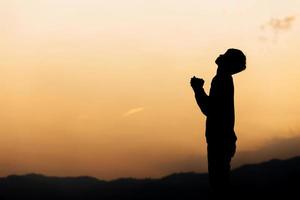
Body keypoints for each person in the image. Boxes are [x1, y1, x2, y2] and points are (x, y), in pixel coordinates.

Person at [190, 48, 246, 194]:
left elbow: (209, 110)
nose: (219, 58)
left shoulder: (221, 80)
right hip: (223, 139)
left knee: (219, 185)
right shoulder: (224, 80)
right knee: (221, 183)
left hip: (219, 140)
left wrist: (198, 90)